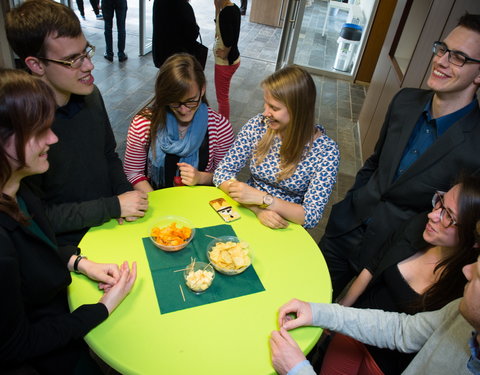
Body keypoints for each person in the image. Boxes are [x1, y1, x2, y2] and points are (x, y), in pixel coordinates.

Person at [319, 13, 480, 299]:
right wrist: (354, 198)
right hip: (347, 226)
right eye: (442, 49)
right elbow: (375, 163)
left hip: (391, 259)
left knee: (340, 335)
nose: (441, 60)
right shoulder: (404, 100)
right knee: (302, 302)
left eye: (458, 57)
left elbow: (459, 225)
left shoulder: (476, 146)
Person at [0, 68, 137, 375]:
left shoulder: (20, 191)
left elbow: (37, 251)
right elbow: (15, 344)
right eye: (38, 132)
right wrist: (101, 309)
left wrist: (79, 262)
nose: (53, 137)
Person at [5, 0, 148, 247]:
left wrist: (127, 194)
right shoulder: (21, 131)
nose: (90, 66)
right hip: (70, 247)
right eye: (73, 60)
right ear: (36, 65)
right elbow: (37, 217)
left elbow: (108, 155)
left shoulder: (91, 95)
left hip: (111, 223)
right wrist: (113, 206)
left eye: (86, 52)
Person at [323, 176, 480, 374]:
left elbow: (405, 332)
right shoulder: (419, 225)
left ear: (474, 236)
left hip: (388, 366)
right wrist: (340, 309)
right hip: (355, 329)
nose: (433, 215)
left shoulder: (466, 289)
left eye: (449, 216)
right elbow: (372, 267)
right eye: (440, 201)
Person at [270, 242, 480, 375]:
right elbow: (402, 330)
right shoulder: (460, 313)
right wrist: (318, 312)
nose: (466, 270)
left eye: (479, 274)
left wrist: (297, 370)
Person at [213, 66, 339, 229]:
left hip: (287, 224)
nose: (265, 113)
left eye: (274, 108)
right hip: (248, 210)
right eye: (266, 104)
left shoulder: (326, 152)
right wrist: (257, 209)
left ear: (298, 110)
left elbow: (310, 216)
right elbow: (222, 172)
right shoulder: (258, 126)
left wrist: (264, 199)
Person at [124, 53, 235, 191]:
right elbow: (133, 172)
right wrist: (158, 204)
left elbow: (226, 177)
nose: (183, 110)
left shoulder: (219, 127)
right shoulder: (144, 123)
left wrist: (200, 177)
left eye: (191, 101)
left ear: (202, 89)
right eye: (175, 102)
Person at [152, 0, 200, 68]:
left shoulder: (158, 2)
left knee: (166, 76)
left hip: (161, 55)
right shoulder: (184, 6)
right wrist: (196, 26)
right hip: (179, 58)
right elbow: (193, 34)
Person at [214, 0, 241, 120]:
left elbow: (229, 39)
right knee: (223, 96)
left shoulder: (225, 13)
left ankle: (223, 127)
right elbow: (221, 27)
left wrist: (224, 53)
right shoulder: (234, 8)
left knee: (222, 99)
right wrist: (216, 8)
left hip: (224, 64)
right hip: (234, 59)